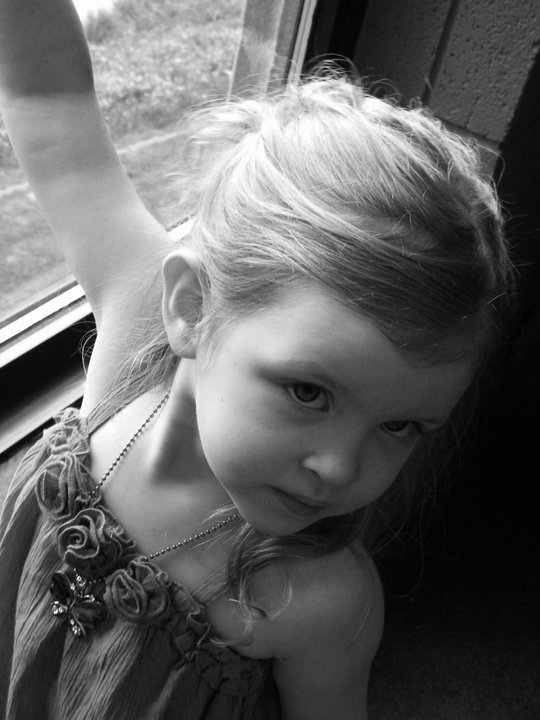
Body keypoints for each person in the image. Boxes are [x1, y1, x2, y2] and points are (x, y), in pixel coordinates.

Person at [0, 0, 514, 718]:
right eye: (308, 392)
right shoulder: (141, 324)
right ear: (191, 309)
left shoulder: (321, 602)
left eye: (400, 427)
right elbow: (51, 104)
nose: (340, 468)